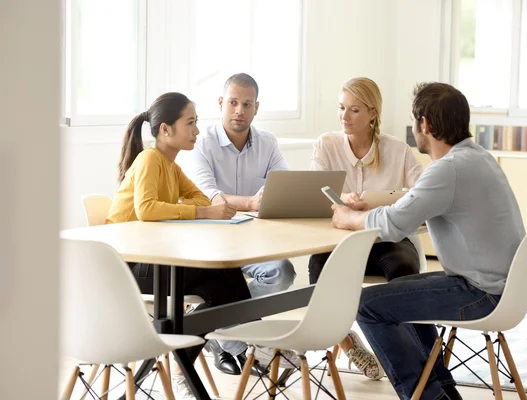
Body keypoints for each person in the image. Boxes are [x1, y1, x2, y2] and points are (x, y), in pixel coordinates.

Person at [329, 82, 526, 400]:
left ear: (425, 124)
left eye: (414, 121)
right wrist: (377, 209)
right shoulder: (478, 158)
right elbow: (413, 208)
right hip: (503, 289)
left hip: (478, 293)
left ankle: (427, 396)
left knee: (367, 306)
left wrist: (347, 218)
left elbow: (393, 226)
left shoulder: (447, 170)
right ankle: (443, 391)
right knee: (409, 289)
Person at [106, 92, 264, 399]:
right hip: (124, 267)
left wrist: (192, 207)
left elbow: (201, 198)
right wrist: (201, 212)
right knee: (222, 277)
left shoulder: (171, 165)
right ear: (166, 130)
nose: (196, 131)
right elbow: (147, 209)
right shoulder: (150, 159)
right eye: (190, 123)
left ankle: (182, 367)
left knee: (223, 278)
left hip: (154, 260)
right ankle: (254, 346)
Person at [177, 73, 297, 374]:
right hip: (209, 245)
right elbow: (207, 197)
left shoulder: (268, 143)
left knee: (282, 272)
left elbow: (282, 187)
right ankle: (234, 343)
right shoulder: (200, 143)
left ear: (256, 107)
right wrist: (252, 202)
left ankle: (213, 324)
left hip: (255, 242)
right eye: (232, 103)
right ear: (220, 103)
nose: (239, 110)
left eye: (246, 104)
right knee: (227, 287)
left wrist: (267, 198)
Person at [309, 77, 423, 380]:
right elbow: (314, 196)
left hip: (388, 239)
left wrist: (374, 208)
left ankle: (406, 351)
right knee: (318, 265)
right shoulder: (326, 145)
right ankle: (348, 344)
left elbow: (423, 197)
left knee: (404, 265)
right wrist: (342, 199)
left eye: (354, 110)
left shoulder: (399, 151)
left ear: (372, 113)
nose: (344, 116)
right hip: (342, 242)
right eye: (341, 108)